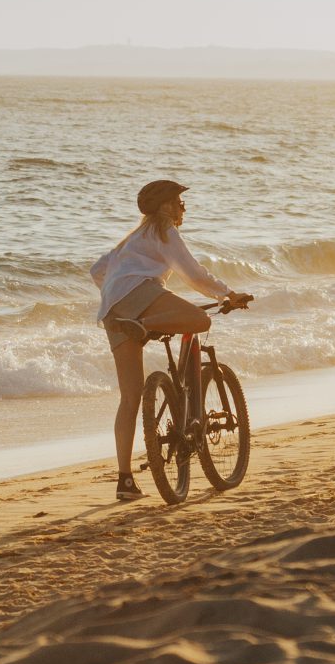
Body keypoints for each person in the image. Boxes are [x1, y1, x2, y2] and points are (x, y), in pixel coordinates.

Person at [92, 179, 251, 500]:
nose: (183, 207)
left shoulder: (131, 239)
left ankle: (125, 481)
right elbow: (192, 274)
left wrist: (116, 294)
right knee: (199, 318)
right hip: (139, 297)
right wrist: (228, 294)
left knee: (130, 397)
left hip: (112, 311)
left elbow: (97, 271)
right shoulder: (164, 231)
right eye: (179, 202)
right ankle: (145, 323)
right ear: (165, 207)